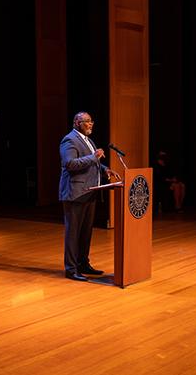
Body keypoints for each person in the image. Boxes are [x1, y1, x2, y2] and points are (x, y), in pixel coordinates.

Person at [59, 112, 120, 282]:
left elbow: (93, 162)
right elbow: (70, 164)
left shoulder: (88, 140)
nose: (91, 124)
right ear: (77, 122)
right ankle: (71, 269)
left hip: (89, 192)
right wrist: (94, 157)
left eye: (91, 121)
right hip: (75, 193)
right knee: (73, 233)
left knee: (85, 233)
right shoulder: (69, 140)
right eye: (87, 122)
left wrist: (104, 169)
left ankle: (83, 264)